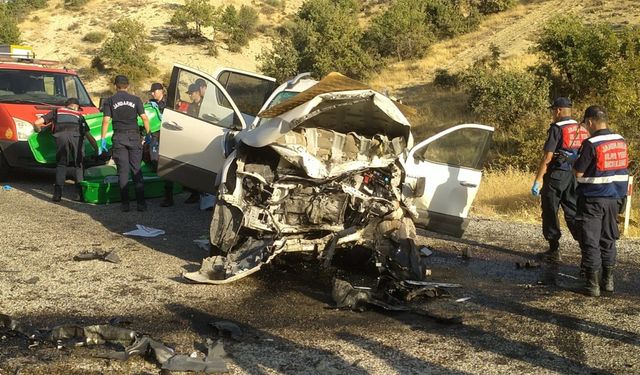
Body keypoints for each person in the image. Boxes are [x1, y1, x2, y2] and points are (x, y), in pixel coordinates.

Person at [573, 106, 628, 297]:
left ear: (589, 122)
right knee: (608, 239)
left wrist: (574, 160)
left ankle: (592, 286)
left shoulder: (591, 143)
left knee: (590, 240)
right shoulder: (620, 141)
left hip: (592, 199)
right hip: (615, 199)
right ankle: (609, 281)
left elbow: (579, 172)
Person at [531, 97, 589, 263]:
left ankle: (554, 250)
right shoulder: (582, 128)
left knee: (550, 210)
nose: (552, 114)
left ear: (557, 110)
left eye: (553, 110)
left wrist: (538, 179)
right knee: (573, 212)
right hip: (576, 176)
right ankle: (587, 250)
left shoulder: (557, 128)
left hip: (557, 176)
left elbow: (547, 157)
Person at [100, 75, 150, 212]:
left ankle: (125, 204)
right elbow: (145, 118)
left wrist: (103, 138)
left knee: (122, 171)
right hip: (134, 137)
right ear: (127, 86)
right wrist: (149, 134)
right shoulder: (136, 100)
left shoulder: (109, 100)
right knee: (136, 169)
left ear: (115, 86)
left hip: (119, 138)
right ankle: (141, 203)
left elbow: (106, 121)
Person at [33, 98, 98, 202]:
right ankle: (79, 195)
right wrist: (97, 149)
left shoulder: (56, 111)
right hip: (76, 138)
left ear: (66, 105)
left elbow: (36, 123)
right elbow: (89, 136)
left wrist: (39, 132)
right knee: (78, 165)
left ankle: (57, 195)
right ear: (76, 107)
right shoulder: (79, 116)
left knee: (61, 165)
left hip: (61, 138)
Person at [145, 82, 174, 207]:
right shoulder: (150, 104)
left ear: (161, 91)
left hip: (168, 136)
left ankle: (169, 196)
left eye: (154, 91)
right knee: (154, 159)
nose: (152, 93)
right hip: (155, 136)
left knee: (167, 164)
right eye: (151, 91)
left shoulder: (170, 103)